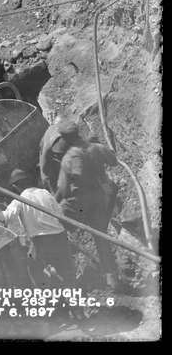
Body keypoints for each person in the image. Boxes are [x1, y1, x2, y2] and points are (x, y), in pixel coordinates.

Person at [54, 122, 120, 290]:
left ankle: (66, 269)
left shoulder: (68, 158)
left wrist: (54, 204)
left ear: (65, 139)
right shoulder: (96, 148)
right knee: (100, 236)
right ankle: (112, 279)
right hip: (98, 197)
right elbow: (113, 162)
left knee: (55, 223)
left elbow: (63, 189)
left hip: (78, 200)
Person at [0, 169, 77, 290]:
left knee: (34, 268)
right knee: (66, 271)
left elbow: (3, 218)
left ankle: (46, 299)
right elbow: (60, 213)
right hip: (60, 236)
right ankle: (74, 300)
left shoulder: (19, 200)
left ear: (15, 186)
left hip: (41, 242)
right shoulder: (45, 193)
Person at [39, 121, 71, 193]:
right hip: (49, 173)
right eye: (58, 155)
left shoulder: (69, 139)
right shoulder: (47, 152)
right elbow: (46, 174)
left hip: (55, 130)